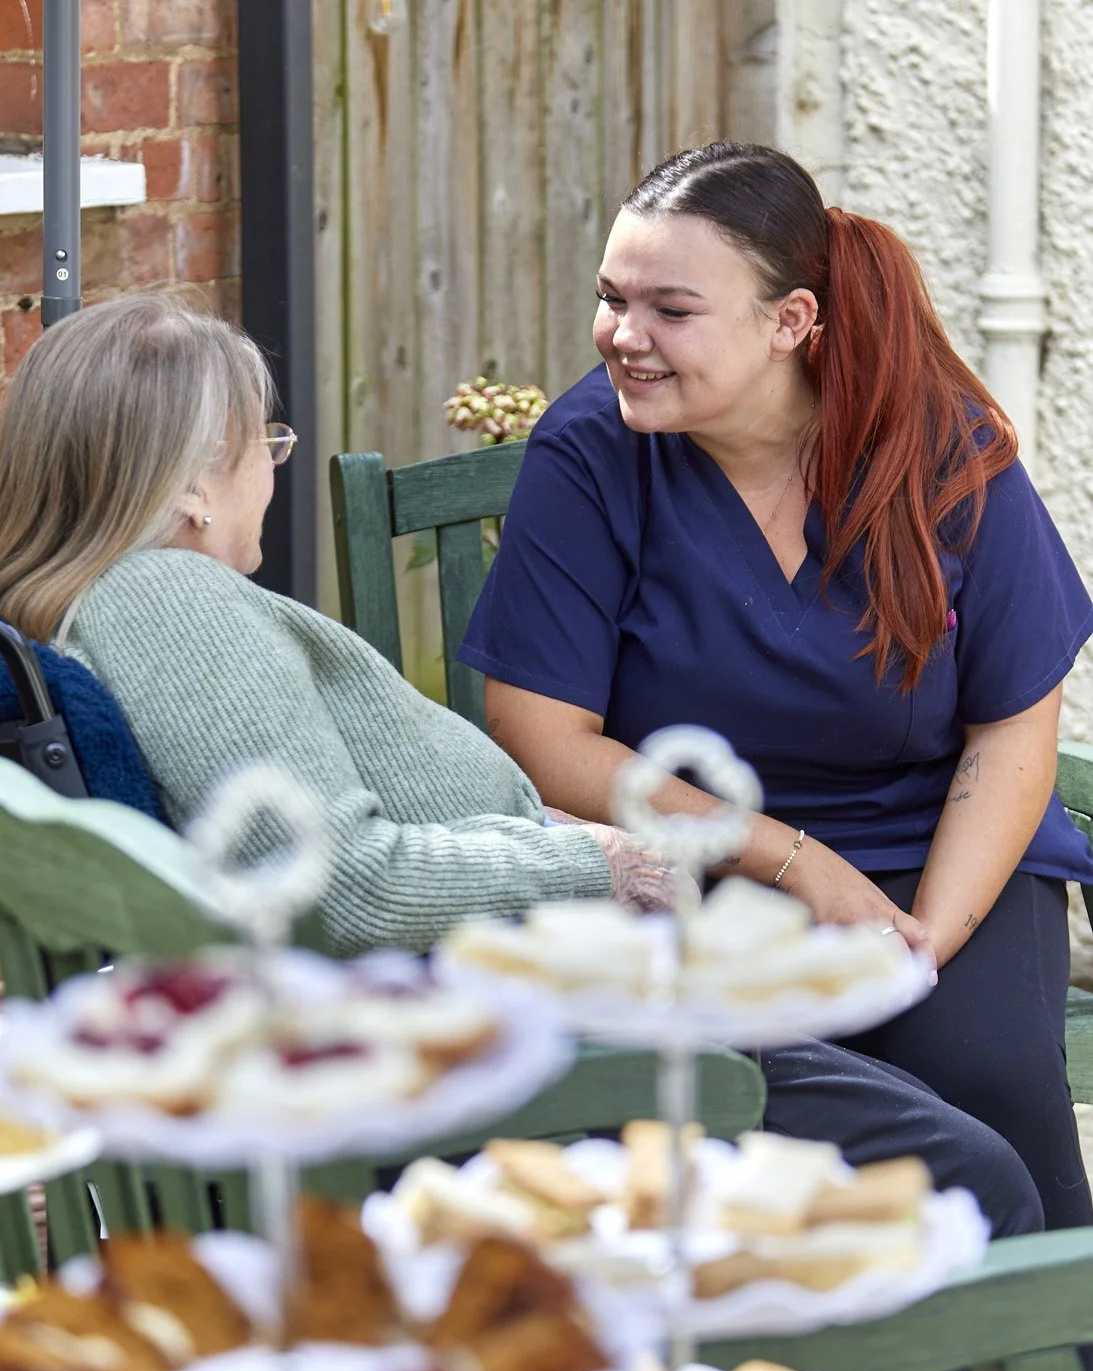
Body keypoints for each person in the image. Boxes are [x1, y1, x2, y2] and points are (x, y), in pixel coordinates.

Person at [460, 141, 1093, 1235]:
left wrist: (921, 941)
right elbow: (543, 738)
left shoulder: (934, 443)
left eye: (670, 309)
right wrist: (795, 861)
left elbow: (1008, 729)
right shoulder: (590, 454)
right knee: (787, 1111)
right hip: (696, 868)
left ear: (790, 322)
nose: (623, 337)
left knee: (987, 1082)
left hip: (939, 852)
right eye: (612, 299)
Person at [0, 293, 682, 955]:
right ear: (190, 483)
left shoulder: (117, 606)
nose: (271, 469)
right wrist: (600, 861)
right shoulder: (162, 597)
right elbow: (342, 888)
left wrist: (555, 843)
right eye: (264, 442)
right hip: (462, 988)